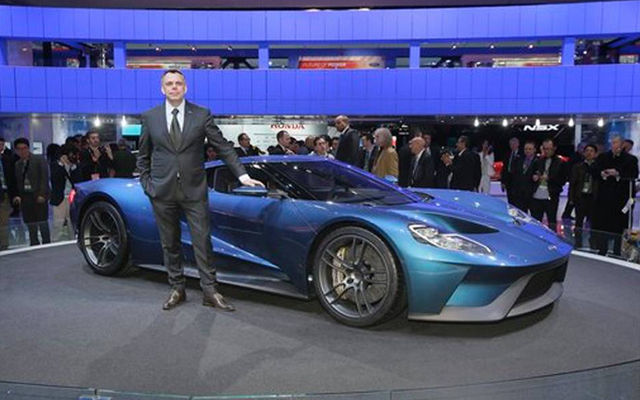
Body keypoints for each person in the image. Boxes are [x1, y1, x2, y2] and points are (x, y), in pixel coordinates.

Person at [136, 69, 263, 312]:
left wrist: (243, 175)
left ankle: (210, 291)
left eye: (178, 83)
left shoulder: (201, 114)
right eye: (169, 84)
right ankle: (177, 288)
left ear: (185, 88)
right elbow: (143, 156)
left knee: (202, 241)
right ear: (162, 89)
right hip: (162, 191)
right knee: (169, 243)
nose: (174, 87)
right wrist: (147, 184)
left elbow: (222, 146)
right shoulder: (150, 117)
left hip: (194, 190)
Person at [591, 136, 639, 256]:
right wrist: (602, 173)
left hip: (620, 199)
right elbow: (594, 171)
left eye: (616, 143)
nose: (614, 145)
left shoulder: (631, 159)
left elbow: (633, 174)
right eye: (612, 143)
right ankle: (602, 249)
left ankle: (617, 252)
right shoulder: (603, 157)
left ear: (622, 144)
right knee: (603, 225)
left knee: (619, 226)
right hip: (604, 198)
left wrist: (618, 173)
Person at [13, 138, 51, 246]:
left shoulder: (39, 160)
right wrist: (19, 196)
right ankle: (34, 245)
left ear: (28, 148)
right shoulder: (18, 164)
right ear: (16, 150)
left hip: (39, 195)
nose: (22, 151)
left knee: (43, 223)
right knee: (30, 224)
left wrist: (42, 194)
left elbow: (44, 178)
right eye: (19, 149)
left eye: (24, 148)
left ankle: (47, 245)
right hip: (26, 197)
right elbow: (18, 182)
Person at [530, 139, 566, 232]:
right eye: (545, 149)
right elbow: (531, 175)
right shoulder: (538, 161)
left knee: (552, 222)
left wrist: (549, 178)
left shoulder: (560, 163)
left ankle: (553, 239)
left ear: (554, 148)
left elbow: (562, 180)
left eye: (549, 149)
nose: (546, 151)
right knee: (536, 222)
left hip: (551, 195)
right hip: (537, 195)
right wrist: (534, 177)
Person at [568, 144, 599, 249]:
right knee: (579, 220)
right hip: (580, 197)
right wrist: (571, 198)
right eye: (587, 151)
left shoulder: (598, 167)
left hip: (593, 197)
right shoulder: (578, 167)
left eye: (591, 151)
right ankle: (578, 241)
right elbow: (573, 183)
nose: (589, 153)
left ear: (595, 154)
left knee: (593, 221)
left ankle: (593, 240)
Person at [49, 144, 81, 241]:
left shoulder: (76, 166)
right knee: (58, 223)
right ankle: (54, 242)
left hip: (72, 197)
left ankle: (73, 241)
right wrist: (63, 167)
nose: (73, 157)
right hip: (60, 198)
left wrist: (73, 168)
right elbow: (55, 180)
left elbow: (77, 181)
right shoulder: (55, 165)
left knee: (72, 222)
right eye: (71, 155)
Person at [0, 137, 18, 251]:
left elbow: (12, 179)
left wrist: (15, 194)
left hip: (5, 194)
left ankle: (4, 246)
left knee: (4, 223)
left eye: (2, 145)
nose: (1, 147)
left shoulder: (7, 160)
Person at [511, 141, 538, 213]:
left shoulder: (538, 161)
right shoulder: (519, 160)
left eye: (530, 149)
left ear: (534, 150)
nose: (527, 151)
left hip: (532, 194)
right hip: (520, 194)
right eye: (526, 149)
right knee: (521, 214)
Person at [501, 137, 521, 205]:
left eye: (514, 144)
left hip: (518, 182)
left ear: (518, 144)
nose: (512, 146)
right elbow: (504, 168)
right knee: (510, 200)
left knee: (518, 200)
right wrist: (503, 181)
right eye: (511, 144)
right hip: (509, 181)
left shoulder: (522, 154)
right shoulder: (507, 154)